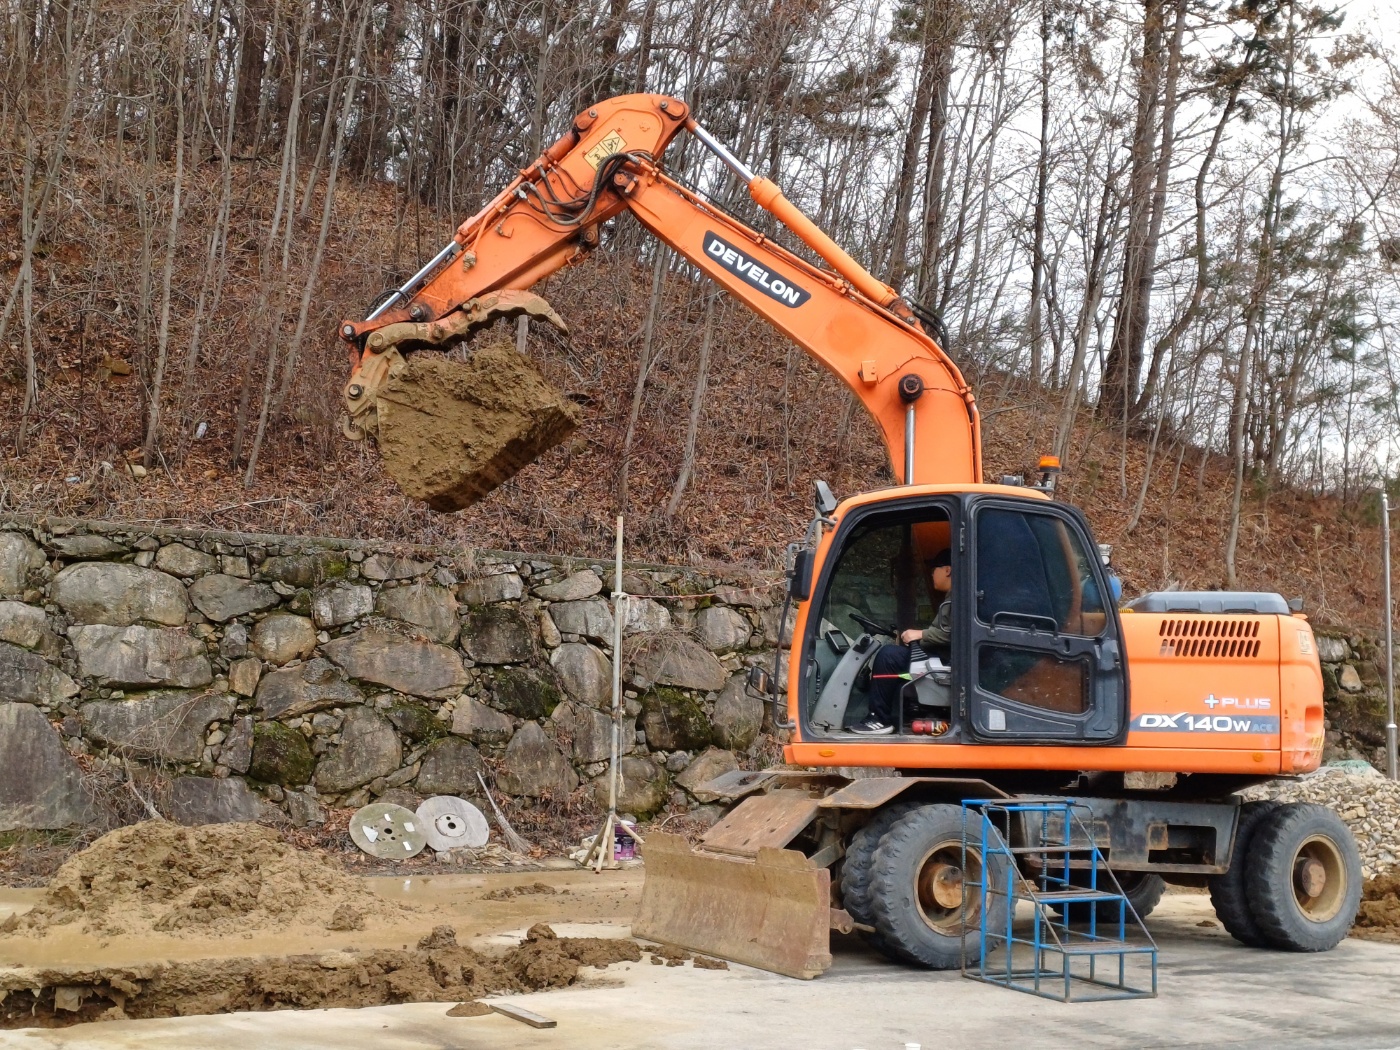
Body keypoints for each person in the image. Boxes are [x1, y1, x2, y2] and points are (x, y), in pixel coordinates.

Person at [848, 549, 952, 735]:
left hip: (944, 664)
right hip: (942, 659)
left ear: (947, 570)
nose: (931, 574)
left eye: (933, 569)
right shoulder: (953, 598)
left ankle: (879, 718)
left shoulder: (958, 599)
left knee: (889, 656)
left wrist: (920, 634)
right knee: (896, 661)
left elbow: (953, 635)